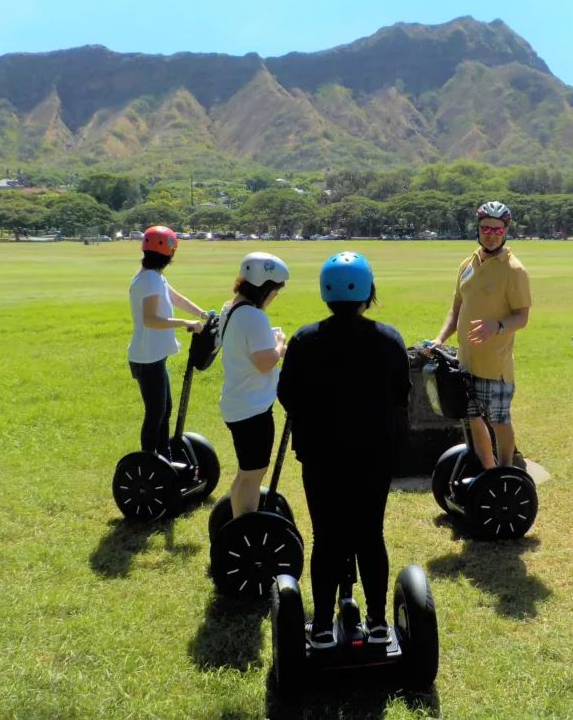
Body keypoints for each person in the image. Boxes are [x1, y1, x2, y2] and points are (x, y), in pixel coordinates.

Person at [277, 252, 410, 649]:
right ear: (368, 290)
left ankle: (319, 626)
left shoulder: (303, 339)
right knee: (371, 535)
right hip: (373, 457)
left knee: (327, 537)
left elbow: (287, 395)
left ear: (325, 291)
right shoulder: (388, 338)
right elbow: (402, 396)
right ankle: (377, 623)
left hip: (321, 458)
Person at [428, 201, 531, 468]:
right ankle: (489, 469)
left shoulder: (514, 270)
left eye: (497, 230)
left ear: (506, 230)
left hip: (495, 365)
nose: (490, 234)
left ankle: (507, 471)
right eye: (486, 228)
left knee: (498, 420)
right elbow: (456, 309)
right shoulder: (468, 263)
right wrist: (440, 338)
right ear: (478, 228)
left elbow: (522, 316)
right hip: (466, 362)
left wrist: (495, 326)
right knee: (473, 417)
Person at [217, 252, 289, 518]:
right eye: (274, 292)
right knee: (252, 476)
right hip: (252, 409)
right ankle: (246, 532)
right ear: (265, 287)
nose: (274, 297)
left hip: (237, 402)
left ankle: (238, 523)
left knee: (245, 473)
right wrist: (280, 344)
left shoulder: (232, 307)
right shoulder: (254, 316)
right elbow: (265, 362)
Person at [127, 226, 208, 462]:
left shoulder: (152, 275)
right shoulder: (150, 278)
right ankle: (150, 461)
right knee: (156, 413)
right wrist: (186, 322)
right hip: (147, 357)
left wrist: (202, 314)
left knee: (164, 410)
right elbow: (150, 319)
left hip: (153, 356)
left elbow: (175, 297)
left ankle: (164, 458)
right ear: (168, 252)